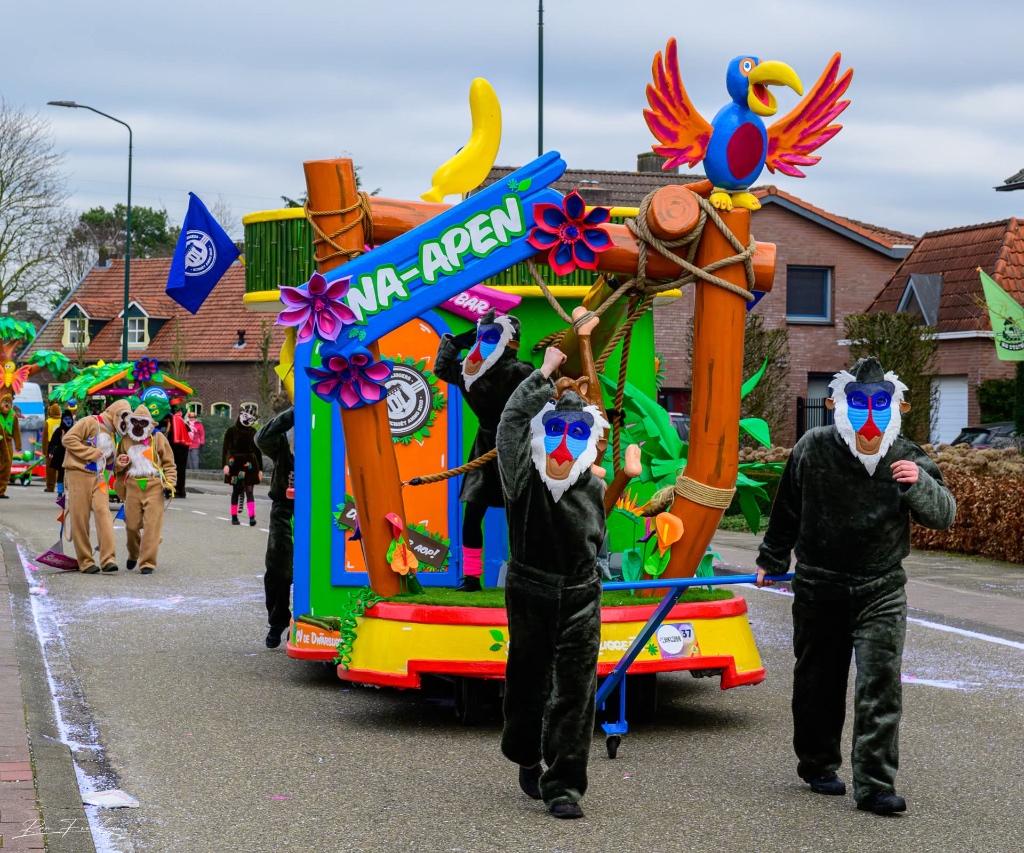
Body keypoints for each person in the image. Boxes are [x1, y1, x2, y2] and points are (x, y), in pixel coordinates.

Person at [755, 357, 956, 816]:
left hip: (880, 588)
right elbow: (787, 508)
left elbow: (945, 515)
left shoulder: (907, 455)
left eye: (879, 404)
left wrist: (920, 485)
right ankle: (818, 763)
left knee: (880, 685)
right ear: (838, 406)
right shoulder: (813, 447)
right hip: (819, 585)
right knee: (818, 682)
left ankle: (875, 784)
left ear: (896, 408)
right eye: (860, 404)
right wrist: (771, 558)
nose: (869, 416)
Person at [495, 346, 609, 820]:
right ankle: (526, 752)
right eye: (557, 431)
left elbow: (595, 536)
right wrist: (542, 374)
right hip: (530, 590)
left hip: (581, 595)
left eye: (577, 433)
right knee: (528, 680)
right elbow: (510, 423)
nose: (564, 444)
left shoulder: (594, 484)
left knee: (576, 691)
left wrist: (599, 565)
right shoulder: (522, 475)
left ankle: (564, 786)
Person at [433, 310, 533, 591]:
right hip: (486, 447)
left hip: (514, 447)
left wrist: (460, 343)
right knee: (475, 514)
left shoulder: (519, 372)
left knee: (517, 515)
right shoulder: (471, 372)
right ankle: (471, 577)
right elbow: (442, 369)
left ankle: (521, 575)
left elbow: (544, 398)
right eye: (482, 338)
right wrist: (462, 341)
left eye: (490, 338)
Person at [61, 399, 132, 574]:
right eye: (123, 418)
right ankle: (85, 561)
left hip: (99, 478)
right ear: (115, 414)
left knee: (103, 513)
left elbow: (106, 461)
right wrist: (90, 453)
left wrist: (118, 464)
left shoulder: (113, 434)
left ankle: (108, 559)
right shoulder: (90, 422)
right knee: (80, 517)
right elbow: (68, 439)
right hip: (78, 474)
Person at [115, 402, 177, 575]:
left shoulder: (158, 438)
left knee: (152, 526)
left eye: (142, 423)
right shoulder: (125, 440)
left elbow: (169, 464)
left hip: (154, 485)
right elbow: (117, 467)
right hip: (133, 486)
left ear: (149, 425)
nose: (138, 426)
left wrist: (169, 484)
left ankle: (147, 562)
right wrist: (120, 464)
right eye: (135, 422)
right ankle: (134, 553)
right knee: (132, 526)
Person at [255, 397, 294, 648]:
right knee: (279, 569)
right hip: (285, 509)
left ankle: (303, 621)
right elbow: (261, 438)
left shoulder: (327, 433)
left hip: (322, 510)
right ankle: (278, 621)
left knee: (313, 568)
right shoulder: (281, 439)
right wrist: (295, 412)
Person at [222, 406, 262, 526]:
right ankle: (234, 516)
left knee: (249, 490)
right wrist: (225, 464)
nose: (247, 420)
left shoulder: (253, 432)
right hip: (235, 463)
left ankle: (252, 517)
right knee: (236, 490)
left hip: (250, 464)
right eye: (245, 416)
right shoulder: (231, 431)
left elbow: (258, 452)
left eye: (251, 419)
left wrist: (260, 469)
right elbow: (225, 449)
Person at [46, 406, 76, 497]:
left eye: (69, 419)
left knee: (72, 474)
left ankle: (71, 491)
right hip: (60, 455)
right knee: (61, 473)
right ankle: (60, 491)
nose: (68, 421)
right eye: (66, 419)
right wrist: (51, 451)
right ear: (62, 420)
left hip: (72, 454)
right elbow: (53, 442)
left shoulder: (74, 430)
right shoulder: (59, 430)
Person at [0, 393, 20, 499]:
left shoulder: (13, 415)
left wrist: (18, 444)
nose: (7, 404)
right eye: (5, 402)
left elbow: (16, 430)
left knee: (7, 466)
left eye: (9, 402)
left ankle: (1, 491)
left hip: (8, 442)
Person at [169, 405, 192, 498]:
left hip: (176, 448)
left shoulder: (175, 419)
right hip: (182, 448)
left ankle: (175, 490)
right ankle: (180, 490)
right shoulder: (180, 419)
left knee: (174, 469)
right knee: (181, 470)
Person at [43, 402, 62, 492]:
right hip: (61, 446)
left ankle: (50, 486)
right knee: (61, 468)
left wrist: (44, 451)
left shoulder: (48, 422)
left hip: (51, 446)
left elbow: (45, 437)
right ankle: (62, 487)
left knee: (50, 468)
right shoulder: (62, 421)